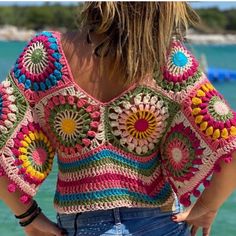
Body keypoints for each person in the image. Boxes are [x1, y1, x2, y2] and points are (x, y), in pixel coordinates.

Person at [0, 2, 236, 236]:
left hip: (82, 227)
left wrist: (28, 216)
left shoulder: (47, 55)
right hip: (161, 223)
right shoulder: (171, 61)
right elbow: (231, 144)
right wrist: (207, 206)